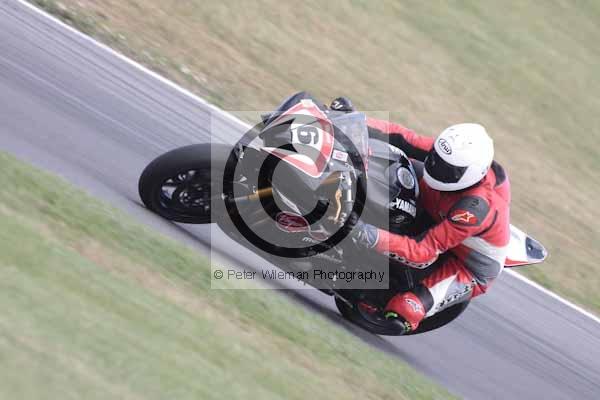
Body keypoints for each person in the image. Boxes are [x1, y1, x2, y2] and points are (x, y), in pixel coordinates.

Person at [330, 97, 511, 334]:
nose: (435, 166)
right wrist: (352, 122)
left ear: (470, 174)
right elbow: (401, 137)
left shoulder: (473, 210)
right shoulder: (450, 157)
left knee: (405, 309)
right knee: (386, 163)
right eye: (436, 158)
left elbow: (423, 251)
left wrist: (364, 232)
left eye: (446, 169)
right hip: (437, 208)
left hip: (466, 263)